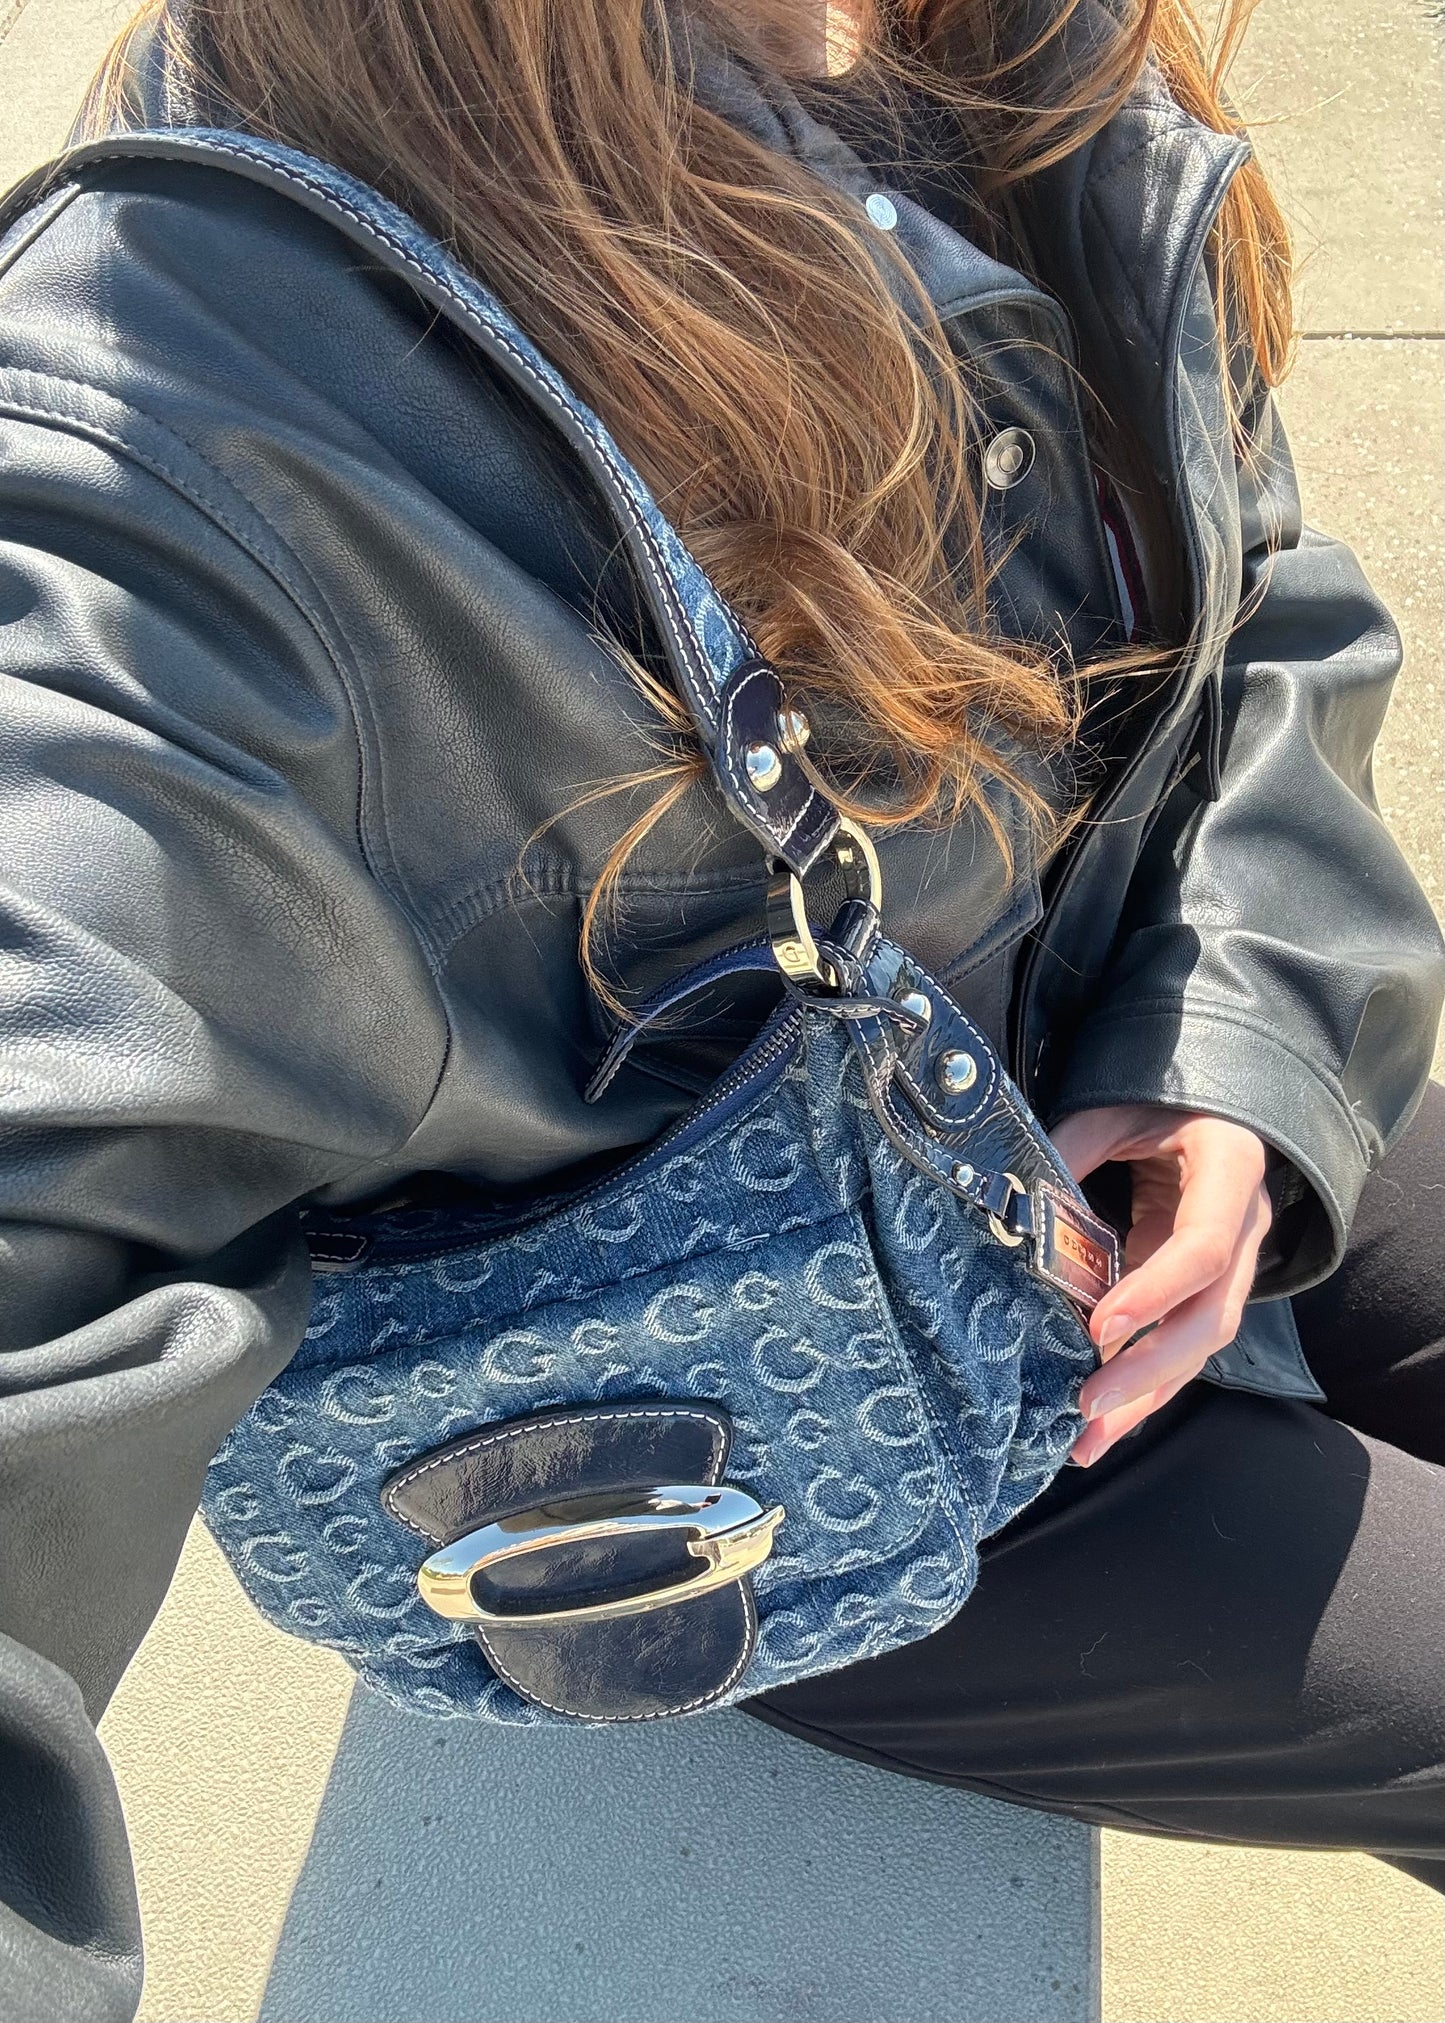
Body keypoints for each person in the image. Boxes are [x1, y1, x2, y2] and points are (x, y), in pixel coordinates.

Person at [0, 0, 1441, 2012]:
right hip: (798, 1410)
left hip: (1152, 996)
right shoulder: (169, 453)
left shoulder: (1006, 45)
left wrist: (1242, 1047)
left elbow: (1256, 578)